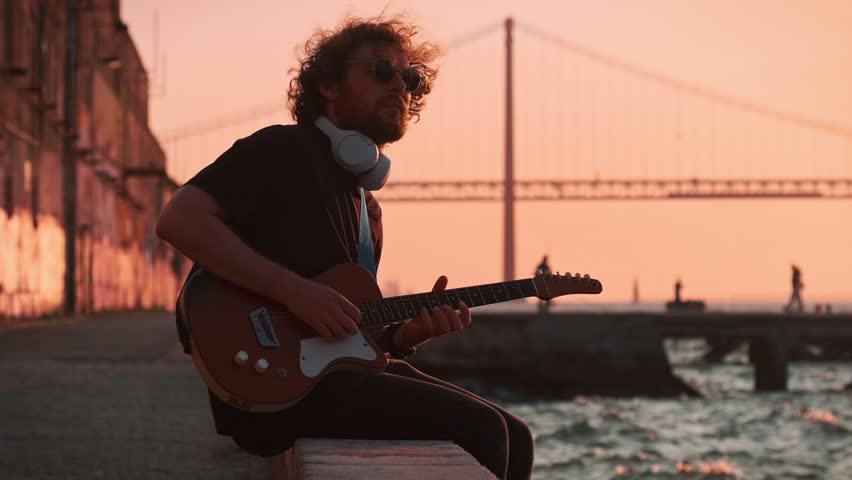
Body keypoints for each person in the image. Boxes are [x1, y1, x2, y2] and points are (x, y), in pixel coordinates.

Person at [155, 15, 533, 480]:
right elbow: (179, 218)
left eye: (409, 77)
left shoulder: (366, 209)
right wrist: (294, 292)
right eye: (381, 70)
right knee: (485, 430)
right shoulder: (281, 150)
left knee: (518, 435)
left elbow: (349, 334)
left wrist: (405, 337)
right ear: (330, 85)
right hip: (270, 386)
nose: (400, 85)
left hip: (326, 377)